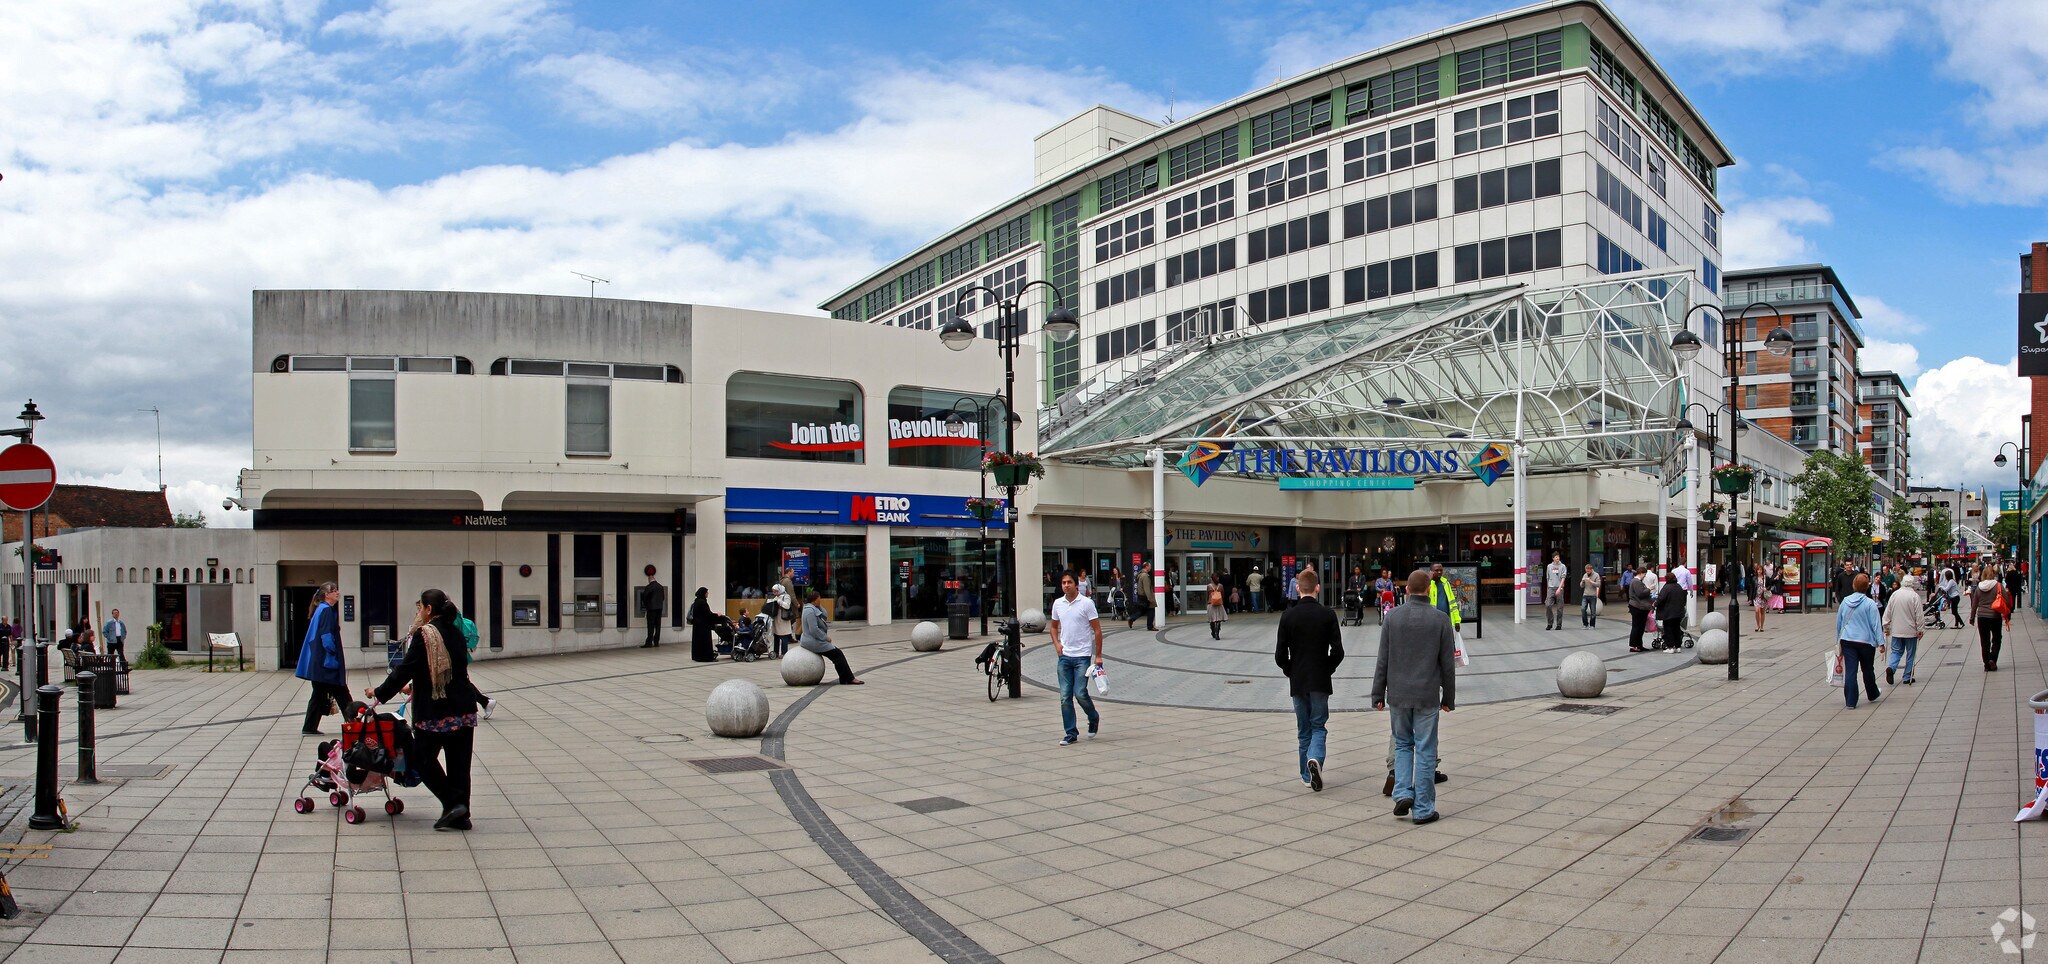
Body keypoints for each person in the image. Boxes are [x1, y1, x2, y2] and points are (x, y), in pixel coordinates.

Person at [368, 588, 479, 831]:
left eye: (420, 607)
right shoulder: (456, 633)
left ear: (429, 609)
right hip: (464, 708)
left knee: (421, 759)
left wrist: (379, 692)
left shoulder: (424, 635)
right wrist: (415, 687)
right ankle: (462, 815)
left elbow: (405, 668)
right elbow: (447, 671)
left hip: (436, 712)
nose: (418, 612)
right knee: (460, 765)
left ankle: (452, 803)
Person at [1374, 568, 1457, 824]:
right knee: (1425, 748)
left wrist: (1378, 693)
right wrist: (1448, 698)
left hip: (1397, 694)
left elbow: (1382, 660)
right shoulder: (1441, 619)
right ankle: (1422, 809)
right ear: (1430, 590)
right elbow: (1447, 665)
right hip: (1427, 695)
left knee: (1401, 744)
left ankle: (1402, 794)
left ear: (1406, 590)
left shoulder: (1392, 618)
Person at [1275, 569, 1342, 792]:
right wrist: (1327, 667)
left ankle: (1306, 774)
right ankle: (1314, 759)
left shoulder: (1288, 616)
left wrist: (1290, 670)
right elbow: (1338, 651)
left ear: (1297, 588)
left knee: (1303, 730)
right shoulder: (1328, 614)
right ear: (1317, 588)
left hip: (1298, 679)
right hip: (1320, 679)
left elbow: (1279, 655)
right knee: (1319, 726)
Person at [1047, 572, 1102, 746]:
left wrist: (1098, 655)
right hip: (1064, 656)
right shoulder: (1058, 604)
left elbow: (1097, 630)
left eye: (1069, 582)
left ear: (1076, 584)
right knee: (1065, 696)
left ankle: (1093, 717)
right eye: (1063, 582)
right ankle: (1070, 733)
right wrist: (1057, 645)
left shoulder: (1086, 603)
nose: (1066, 585)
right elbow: (1053, 627)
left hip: (1082, 656)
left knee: (1080, 693)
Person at [295, 582, 349, 736]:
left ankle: (309, 727)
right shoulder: (326, 611)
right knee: (341, 693)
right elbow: (326, 637)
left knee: (319, 694)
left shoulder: (320, 610)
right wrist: (333, 652)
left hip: (320, 662)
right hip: (326, 662)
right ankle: (355, 724)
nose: (337, 592)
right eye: (334, 590)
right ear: (327, 595)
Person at [1836, 573, 1884, 708]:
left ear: (1853, 585)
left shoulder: (1845, 602)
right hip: (1865, 642)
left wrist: (1838, 641)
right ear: (1867, 587)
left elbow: (1839, 623)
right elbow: (1876, 624)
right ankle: (1872, 693)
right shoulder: (1870, 603)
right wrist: (1881, 643)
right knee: (1868, 669)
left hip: (1847, 640)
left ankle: (1850, 701)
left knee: (1851, 670)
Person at [799, 590, 863, 685]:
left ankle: (845, 678)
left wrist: (818, 606)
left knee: (837, 655)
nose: (820, 600)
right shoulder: (809, 611)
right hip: (813, 641)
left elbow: (824, 615)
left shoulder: (812, 608)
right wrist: (825, 638)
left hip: (814, 640)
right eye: (819, 598)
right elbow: (814, 630)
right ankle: (848, 678)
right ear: (815, 600)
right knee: (837, 654)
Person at [1882, 573, 1923, 686]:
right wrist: (1920, 629)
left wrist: (1886, 626)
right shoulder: (1914, 596)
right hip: (1911, 631)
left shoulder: (1895, 595)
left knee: (1896, 651)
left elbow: (1888, 611)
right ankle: (1907, 676)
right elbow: (1919, 615)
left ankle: (1892, 667)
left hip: (1896, 630)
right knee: (1911, 653)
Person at [1969, 568, 2005, 671]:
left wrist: (1972, 617)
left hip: (1982, 617)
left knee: (1984, 641)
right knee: (1997, 639)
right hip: (1995, 616)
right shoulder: (1998, 585)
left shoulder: (1979, 587)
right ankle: (1993, 659)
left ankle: (1986, 664)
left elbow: (1974, 604)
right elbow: (2006, 599)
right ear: (1993, 574)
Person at [1654, 568, 1686, 654]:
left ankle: (1670, 646)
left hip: (1668, 613)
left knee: (1668, 629)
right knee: (1676, 629)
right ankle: (1678, 646)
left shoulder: (1666, 588)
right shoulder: (1679, 587)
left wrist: (1655, 604)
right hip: (1678, 612)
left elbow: (1661, 599)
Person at [1426, 563, 1463, 634]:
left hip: (1446, 620)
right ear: (1431, 572)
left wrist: (1457, 621)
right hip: (1432, 621)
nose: (1439, 572)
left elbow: (1452, 603)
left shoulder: (1445, 583)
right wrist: (1429, 580)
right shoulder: (1428, 584)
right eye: (1436, 570)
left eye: (1441, 570)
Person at [762, 585, 797, 657]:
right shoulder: (776, 597)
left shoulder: (786, 596)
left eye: (776, 591)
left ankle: (784, 653)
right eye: (773, 591)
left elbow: (787, 606)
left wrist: (779, 601)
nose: (774, 593)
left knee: (784, 636)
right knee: (776, 636)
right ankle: (776, 652)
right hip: (776, 619)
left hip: (783, 619)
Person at [1628, 564, 1654, 652]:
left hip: (1639, 606)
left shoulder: (1636, 582)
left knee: (1640, 627)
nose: (1645, 576)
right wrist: (1649, 589)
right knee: (1637, 626)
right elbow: (1640, 593)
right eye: (1644, 574)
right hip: (1638, 607)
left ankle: (1639, 645)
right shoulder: (1636, 582)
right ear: (1641, 573)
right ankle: (1634, 645)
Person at [688, 587, 717, 662]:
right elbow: (707, 614)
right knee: (705, 641)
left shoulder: (696, 601)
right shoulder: (702, 602)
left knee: (697, 642)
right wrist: (717, 615)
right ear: (703, 593)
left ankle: (697, 656)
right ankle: (706, 657)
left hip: (697, 625)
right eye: (707, 592)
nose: (708, 594)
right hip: (703, 625)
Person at [638, 574, 666, 648]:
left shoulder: (649, 587)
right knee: (658, 625)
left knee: (650, 625)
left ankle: (649, 642)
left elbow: (644, 596)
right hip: (659, 608)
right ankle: (656, 642)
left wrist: (646, 604)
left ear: (649, 580)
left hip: (651, 608)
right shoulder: (660, 587)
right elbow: (663, 598)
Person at [1544, 552, 1568, 630]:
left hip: (1559, 588)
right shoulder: (1549, 566)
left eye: (1558, 557)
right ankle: (1550, 622)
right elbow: (1548, 577)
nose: (1557, 558)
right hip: (1551, 587)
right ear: (1553, 558)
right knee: (1548, 605)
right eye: (1556, 557)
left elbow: (1563, 578)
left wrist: (1559, 588)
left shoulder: (1563, 566)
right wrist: (1548, 588)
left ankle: (1559, 624)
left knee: (1560, 607)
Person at [1206, 573, 1228, 640]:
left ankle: (1214, 632)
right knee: (1218, 619)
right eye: (1216, 577)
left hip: (1211, 604)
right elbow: (1223, 595)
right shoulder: (1220, 586)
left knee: (1212, 620)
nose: (1217, 579)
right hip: (1219, 604)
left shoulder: (1209, 586)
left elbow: (1207, 595)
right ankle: (1217, 633)